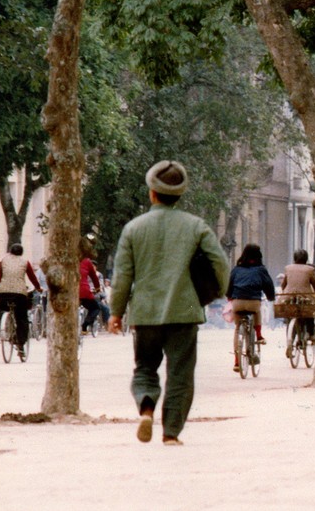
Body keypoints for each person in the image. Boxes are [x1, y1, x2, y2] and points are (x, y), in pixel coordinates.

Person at [108, 160, 229, 446]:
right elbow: (221, 264)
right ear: (180, 194)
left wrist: (115, 312)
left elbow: (122, 276)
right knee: (181, 373)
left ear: (152, 192)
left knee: (145, 368)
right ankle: (171, 432)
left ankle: (147, 408)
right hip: (185, 311)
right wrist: (217, 291)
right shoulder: (196, 226)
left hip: (145, 312)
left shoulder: (134, 229)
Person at [226, 243, 275, 372]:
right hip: (253, 302)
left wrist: (230, 297)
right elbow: (268, 286)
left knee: (237, 329)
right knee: (257, 311)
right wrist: (270, 297)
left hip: (237, 302)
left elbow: (229, 286)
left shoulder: (236, 269)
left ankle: (237, 362)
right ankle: (258, 335)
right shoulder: (260, 269)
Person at [0, 243, 41, 358]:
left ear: (10, 251)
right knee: (22, 318)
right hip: (19, 293)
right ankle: (21, 345)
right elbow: (32, 277)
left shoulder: (3, 261)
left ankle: (1, 324)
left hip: (3, 292)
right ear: (21, 252)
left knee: (1, 308)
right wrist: (38, 288)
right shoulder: (25, 262)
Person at [281, 249, 315, 345]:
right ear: (306, 259)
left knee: (291, 314)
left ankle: (291, 338)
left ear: (294, 258)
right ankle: (311, 333)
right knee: (310, 313)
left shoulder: (288, 268)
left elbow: (283, 285)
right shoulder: (310, 269)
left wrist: (285, 292)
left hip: (289, 296)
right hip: (304, 296)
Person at [79, 238, 102, 335]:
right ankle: (85, 325)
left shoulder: (68, 260)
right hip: (83, 292)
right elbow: (94, 278)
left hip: (69, 292)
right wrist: (97, 288)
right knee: (95, 308)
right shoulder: (87, 261)